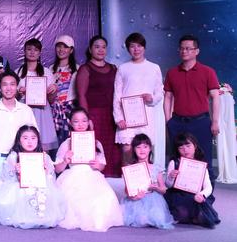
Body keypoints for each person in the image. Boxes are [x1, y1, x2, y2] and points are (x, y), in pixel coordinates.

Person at [54, 108, 123, 232]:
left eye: (84, 121)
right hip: (73, 176)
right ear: (71, 123)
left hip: (92, 174)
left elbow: (102, 165)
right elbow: (58, 169)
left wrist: (97, 165)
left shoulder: (96, 143)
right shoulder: (66, 143)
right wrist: (65, 161)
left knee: (102, 197)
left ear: (89, 122)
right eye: (76, 121)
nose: (80, 124)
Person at [164, 34, 221, 182]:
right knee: (176, 160)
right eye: (182, 48)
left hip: (201, 122)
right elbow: (168, 97)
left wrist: (215, 121)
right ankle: (177, 193)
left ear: (197, 51)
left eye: (189, 48)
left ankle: (206, 194)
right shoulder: (172, 72)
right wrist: (168, 121)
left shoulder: (208, 71)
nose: (184, 51)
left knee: (204, 160)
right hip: (177, 122)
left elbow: (215, 97)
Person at [0, 125, 66, 229]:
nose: (29, 142)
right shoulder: (13, 157)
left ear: (38, 140)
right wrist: (17, 172)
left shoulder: (44, 156)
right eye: (25, 138)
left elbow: (50, 177)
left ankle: (40, 216)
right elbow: (8, 178)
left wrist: (45, 172)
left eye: (33, 138)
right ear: (19, 140)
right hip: (19, 185)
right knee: (21, 193)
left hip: (39, 184)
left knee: (45, 193)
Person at [113, 33, 164, 166]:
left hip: (146, 116)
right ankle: (127, 179)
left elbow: (159, 92)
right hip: (127, 118)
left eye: (139, 46)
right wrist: (118, 118)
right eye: (132, 46)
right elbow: (117, 95)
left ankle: (145, 179)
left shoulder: (154, 68)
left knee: (144, 152)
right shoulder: (123, 68)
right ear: (128, 49)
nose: (136, 49)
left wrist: (151, 98)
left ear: (144, 47)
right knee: (127, 151)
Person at [76, 35, 121, 177]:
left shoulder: (113, 68)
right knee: (97, 147)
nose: (100, 50)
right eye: (97, 47)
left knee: (113, 149)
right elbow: (81, 95)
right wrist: (86, 118)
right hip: (94, 115)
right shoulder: (85, 69)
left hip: (112, 115)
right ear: (90, 50)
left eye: (103, 47)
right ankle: (97, 179)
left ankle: (113, 180)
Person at [0, 71, 38, 177]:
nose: (9, 88)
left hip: (20, 160)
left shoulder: (26, 110)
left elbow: (35, 136)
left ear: (17, 87)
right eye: (5, 84)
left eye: (12, 84)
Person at [165, 133, 220, 228]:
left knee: (204, 217)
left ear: (195, 146)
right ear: (177, 150)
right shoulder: (174, 162)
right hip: (178, 195)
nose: (185, 150)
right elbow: (168, 185)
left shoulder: (201, 165)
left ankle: (194, 215)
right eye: (181, 148)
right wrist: (170, 177)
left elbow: (208, 186)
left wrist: (202, 195)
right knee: (182, 215)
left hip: (195, 195)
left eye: (188, 146)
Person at [120, 133, 174, 229]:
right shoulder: (130, 168)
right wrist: (134, 197)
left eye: (145, 147)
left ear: (150, 149)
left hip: (153, 199)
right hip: (137, 198)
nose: (142, 150)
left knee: (157, 218)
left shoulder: (156, 167)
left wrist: (157, 188)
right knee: (139, 219)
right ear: (134, 150)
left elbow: (163, 189)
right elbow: (127, 190)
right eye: (138, 147)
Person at [16, 39, 58, 152]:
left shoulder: (46, 72)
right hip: (24, 109)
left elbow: (51, 100)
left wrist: (53, 91)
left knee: (43, 146)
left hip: (42, 111)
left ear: (39, 53)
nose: (32, 52)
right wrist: (19, 93)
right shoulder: (18, 72)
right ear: (24, 51)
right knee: (24, 142)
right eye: (29, 49)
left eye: (35, 50)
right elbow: (14, 99)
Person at [50, 35, 77, 145]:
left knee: (70, 143)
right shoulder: (50, 69)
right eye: (59, 46)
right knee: (55, 142)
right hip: (54, 111)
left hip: (70, 110)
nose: (61, 50)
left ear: (71, 50)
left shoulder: (78, 69)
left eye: (65, 47)